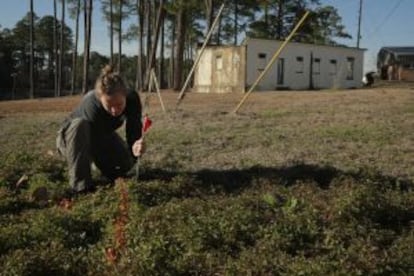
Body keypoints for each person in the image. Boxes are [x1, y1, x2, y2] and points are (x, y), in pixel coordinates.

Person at [56, 65, 144, 194]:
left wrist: (135, 148)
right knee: (80, 124)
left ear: (125, 95)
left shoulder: (132, 99)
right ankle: (81, 186)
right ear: (100, 98)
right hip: (70, 140)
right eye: (109, 105)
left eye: (119, 104)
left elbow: (134, 128)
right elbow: (97, 146)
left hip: (103, 133)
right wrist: (110, 172)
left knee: (125, 165)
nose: (115, 111)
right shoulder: (92, 105)